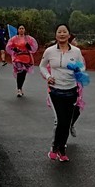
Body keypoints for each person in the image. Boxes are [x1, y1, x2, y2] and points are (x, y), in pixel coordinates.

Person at [39, 23, 85, 162]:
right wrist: (48, 77)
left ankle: (62, 150)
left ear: (69, 35)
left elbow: (82, 67)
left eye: (65, 32)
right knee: (60, 121)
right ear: (56, 35)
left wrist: (78, 70)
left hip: (71, 91)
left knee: (67, 122)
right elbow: (42, 66)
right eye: (59, 32)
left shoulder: (76, 51)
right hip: (55, 91)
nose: (62, 34)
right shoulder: (49, 51)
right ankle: (55, 147)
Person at [5, 25, 39, 97]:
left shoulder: (29, 38)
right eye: (20, 28)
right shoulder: (14, 38)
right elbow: (8, 47)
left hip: (26, 58)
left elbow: (34, 47)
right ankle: (19, 89)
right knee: (21, 71)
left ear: (24, 30)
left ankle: (20, 87)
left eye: (22, 28)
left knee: (23, 73)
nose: (21, 30)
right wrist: (14, 49)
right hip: (18, 58)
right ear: (17, 30)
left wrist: (29, 47)